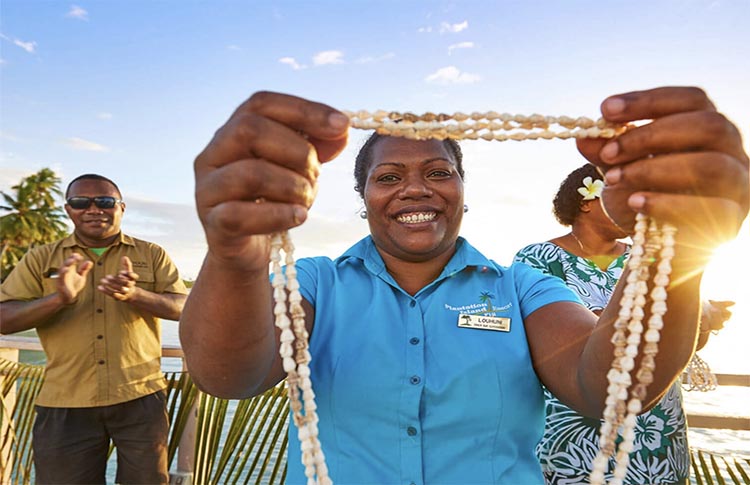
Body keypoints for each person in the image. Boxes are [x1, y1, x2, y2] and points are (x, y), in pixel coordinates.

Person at [179, 88, 749, 484]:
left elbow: (609, 389)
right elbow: (228, 376)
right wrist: (233, 252)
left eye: (437, 173)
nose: (415, 190)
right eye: (389, 177)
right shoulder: (316, 283)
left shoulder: (522, 287)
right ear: (364, 200)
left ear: (461, 190)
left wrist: (673, 245)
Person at [514, 163, 734, 484]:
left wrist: (702, 322)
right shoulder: (538, 260)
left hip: (655, 428)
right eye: (627, 195)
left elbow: (677, 345)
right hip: (578, 433)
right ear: (586, 201)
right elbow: (549, 335)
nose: (638, 205)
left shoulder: (652, 255)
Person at [0, 174, 188, 485]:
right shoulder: (40, 258)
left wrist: (136, 295)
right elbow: (3, 317)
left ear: (121, 208)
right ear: (68, 209)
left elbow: (184, 308)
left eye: (104, 201)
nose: (93, 209)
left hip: (140, 396)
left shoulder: (151, 254)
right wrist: (58, 299)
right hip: (65, 399)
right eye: (80, 202)